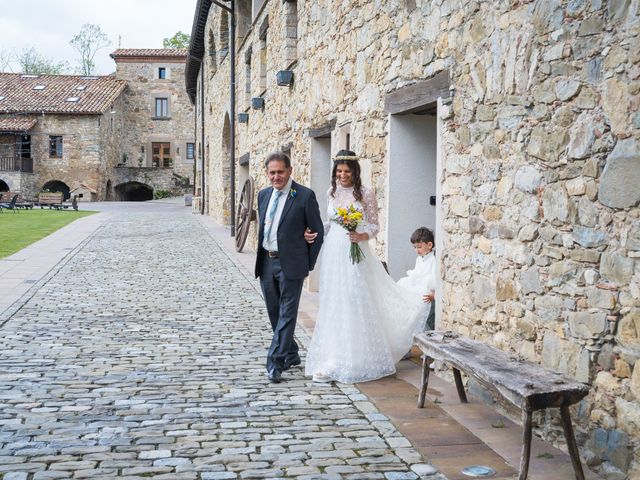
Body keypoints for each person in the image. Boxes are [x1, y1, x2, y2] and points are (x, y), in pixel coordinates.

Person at [304, 150, 427, 384]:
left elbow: (374, 225)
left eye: (347, 172)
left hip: (356, 251)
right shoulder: (330, 192)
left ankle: (357, 358)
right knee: (334, 300)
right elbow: (329, 223)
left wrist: (361, 235)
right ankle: (332, 357)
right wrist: (314, 234)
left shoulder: (366, 194)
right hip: (333, 251)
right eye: (339, 172)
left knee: (353, 298)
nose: (342, 176)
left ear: (354, 172)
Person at [255, 151, 324, 383]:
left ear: (290, 171)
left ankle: (275, 362)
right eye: (272, 173)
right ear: (267, 173)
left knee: (287, 313)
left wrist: (306, 264)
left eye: (280, 172)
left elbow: (317, 233)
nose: (276, 177)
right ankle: (292, 353)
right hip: (266, 261)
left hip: (291, 265)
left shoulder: (304, 196)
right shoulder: (263, 195)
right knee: (274, 312)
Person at [397, 227, 436, 331]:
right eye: (414, 247)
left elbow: (434, 278)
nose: (416, 250)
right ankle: (406, 330)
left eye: (419, 247)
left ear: (429, 245)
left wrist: (434, 294)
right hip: (417, 287)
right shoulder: (419, 259)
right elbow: (416, 274)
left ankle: (417, 331)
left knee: (418, 309)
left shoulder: (433, 259)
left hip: (426, 290)